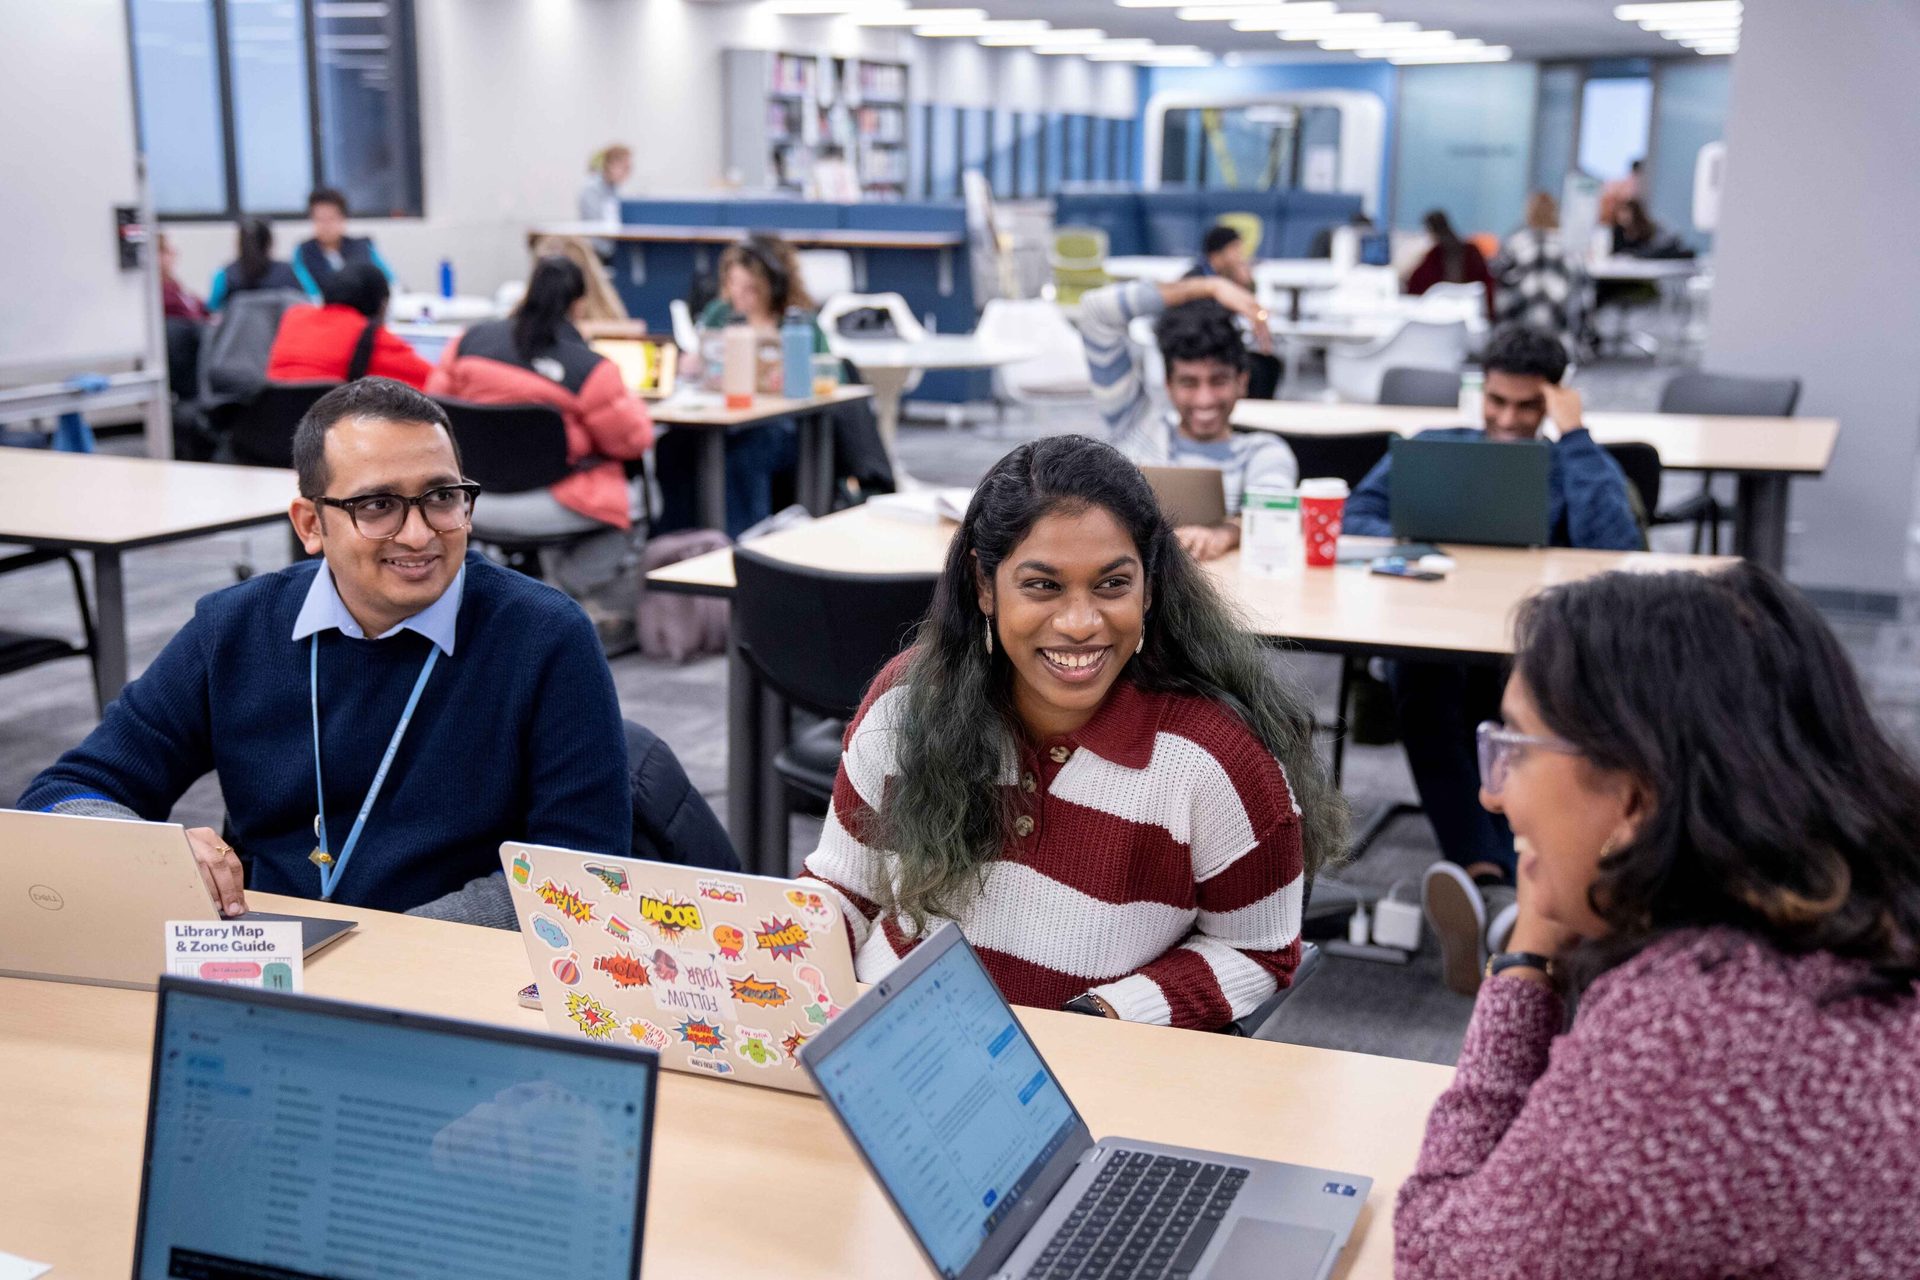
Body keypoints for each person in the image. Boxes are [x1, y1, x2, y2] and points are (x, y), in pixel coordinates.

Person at [1396, 563, 1920, 1276]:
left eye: (1515, 750)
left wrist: (1525, 965)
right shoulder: (1861, 928)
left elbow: (1441, 1259)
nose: (1494, 798)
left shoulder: (1688, 1035)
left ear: (1637, 799)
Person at [14, 378, 632, 923]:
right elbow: (68, 791)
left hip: (452, 975)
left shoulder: (544, 637)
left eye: (442, 497)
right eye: (378, 505)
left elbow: (579, 871)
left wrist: (393, 949)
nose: (419, 534)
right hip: (275, 963)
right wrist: (152, 856)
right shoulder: (234, 628)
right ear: (311, 525)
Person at [803, 434, 1346, 1032]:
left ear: (1151, 586)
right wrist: (787, 968)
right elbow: (843, 889)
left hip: (1084, 1074)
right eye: (1043, 586)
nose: (1080, 623)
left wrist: (1104, 1016)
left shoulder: (1215, 761)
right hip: (899, 1040)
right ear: (986, 586)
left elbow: (1258, 951)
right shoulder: (909, 702)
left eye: (1113, 585)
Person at [1342, 325, 1641, 990]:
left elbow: (1615, 553)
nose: (1507, 420)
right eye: (1497, 402)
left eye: (1527, 407)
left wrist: (1576, 437)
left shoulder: (1577, 463)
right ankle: (1492, 890)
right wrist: (1420, 537)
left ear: (1555, 402)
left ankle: (1504, 896)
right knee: (1417, 678)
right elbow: (1357, 515)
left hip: (1533, 652)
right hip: (1443, 633)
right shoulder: (1435, 451)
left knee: (1518, 714)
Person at [427, 255, 654, 631]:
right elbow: (632, 441)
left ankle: (518, 597)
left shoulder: (466, 344)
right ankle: (557, 591)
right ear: (579, 304)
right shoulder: (589, 369)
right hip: (546, 502)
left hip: (470, 501)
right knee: (642, 501)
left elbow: (435, 413)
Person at [1078, 276, 1298, 562]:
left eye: (1218, 381)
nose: (1204, 399)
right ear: (1168, 384)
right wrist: (1208, 287)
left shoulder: (1263, 451)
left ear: (1242, 381)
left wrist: (1225, 534)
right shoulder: (1134, 422)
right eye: (1189, 383)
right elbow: (1097, 312)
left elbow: (1273, 513)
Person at [655, 236, 824, 538]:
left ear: (771, 286)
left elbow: (825, 371)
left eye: (750, 288)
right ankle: (679, 547)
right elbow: (699, 357)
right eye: (733, 284)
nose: (739, 295)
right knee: (672, 447)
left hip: (780, 422)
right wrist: (692, 363)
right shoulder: (721, 313)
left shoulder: (797, 322)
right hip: (726, 415)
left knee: (747, 456)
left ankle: (743, 547)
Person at [267, 261, 432, 388]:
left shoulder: (294, 317)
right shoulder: (370, 335)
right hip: (331, 428)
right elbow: (434, 384)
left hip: (274, 426)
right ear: (381, 305)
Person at [1492, 191, 1578, 341]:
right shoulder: (1567, 244)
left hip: (1517, 331)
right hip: (1558, 332)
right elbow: (1580, 289)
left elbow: (1498, 275)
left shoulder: (1515, 240)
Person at [292, 188, 396, 300]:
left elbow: (390, 281)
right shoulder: (303, 251)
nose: (326, 226)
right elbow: (306, 290)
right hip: (324, 311)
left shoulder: (363, 246)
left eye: (331, 219)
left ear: (343, 219)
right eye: (319, 219)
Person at [1407, 209, 1496, 322]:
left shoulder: (1438, 255)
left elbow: (1414, 288)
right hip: (1457, 317)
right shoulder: (1437, 255)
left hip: (1448, 316)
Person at [207, 217, 303, 313]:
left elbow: (212, 310)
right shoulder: (290, 272)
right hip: (280, 327)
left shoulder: (225, 275)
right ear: (269, 242)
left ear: (239, 243)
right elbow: (307, 303)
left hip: (239, 328)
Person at [1187, 224, 1254, 290]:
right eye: (1235, 250)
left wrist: (1245, 284)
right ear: (1216, 254)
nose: (1239, 257)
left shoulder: (1227, 278)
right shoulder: (1192, 282)